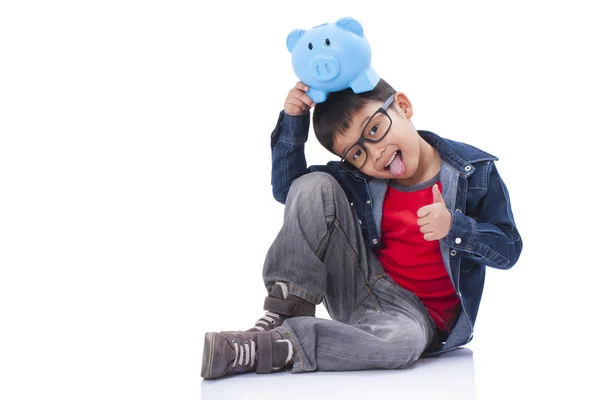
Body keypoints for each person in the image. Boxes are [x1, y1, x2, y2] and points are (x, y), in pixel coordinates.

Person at [200, 78, 523, 379]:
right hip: (361, 287)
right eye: (357, 153)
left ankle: (274, 347)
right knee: (313, 184)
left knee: (402, 343)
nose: (376, 153)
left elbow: (508, 249)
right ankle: (287, 311)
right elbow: (290, 191)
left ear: (404, 107)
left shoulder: (474, 175)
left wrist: (456, 227)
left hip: (415, 319)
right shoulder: (363, 179)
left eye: (375, 129)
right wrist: (293, 121)